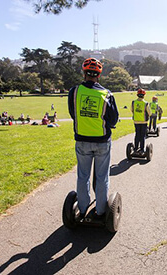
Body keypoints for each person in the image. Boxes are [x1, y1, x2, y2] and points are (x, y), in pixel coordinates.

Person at [68, 58, 119, 220]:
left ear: (84, 73)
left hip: (82, 140)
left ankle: (82, 209)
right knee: (102, 176)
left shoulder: (75, 91)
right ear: (99, 75)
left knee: (83, 176)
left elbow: (72, 113)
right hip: (102, 141)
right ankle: (101, 211)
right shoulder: (106, 94)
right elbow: (113, 120)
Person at [131, 88, 151, 153]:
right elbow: (149, 113)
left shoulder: (133, 102)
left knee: (137, 134)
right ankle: (142, 149)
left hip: (136, 121)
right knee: (142, 135)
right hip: (144, 122)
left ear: (137, 95)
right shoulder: (145, 103)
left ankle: (135, 148)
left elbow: (131, 110)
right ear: (143, 95)